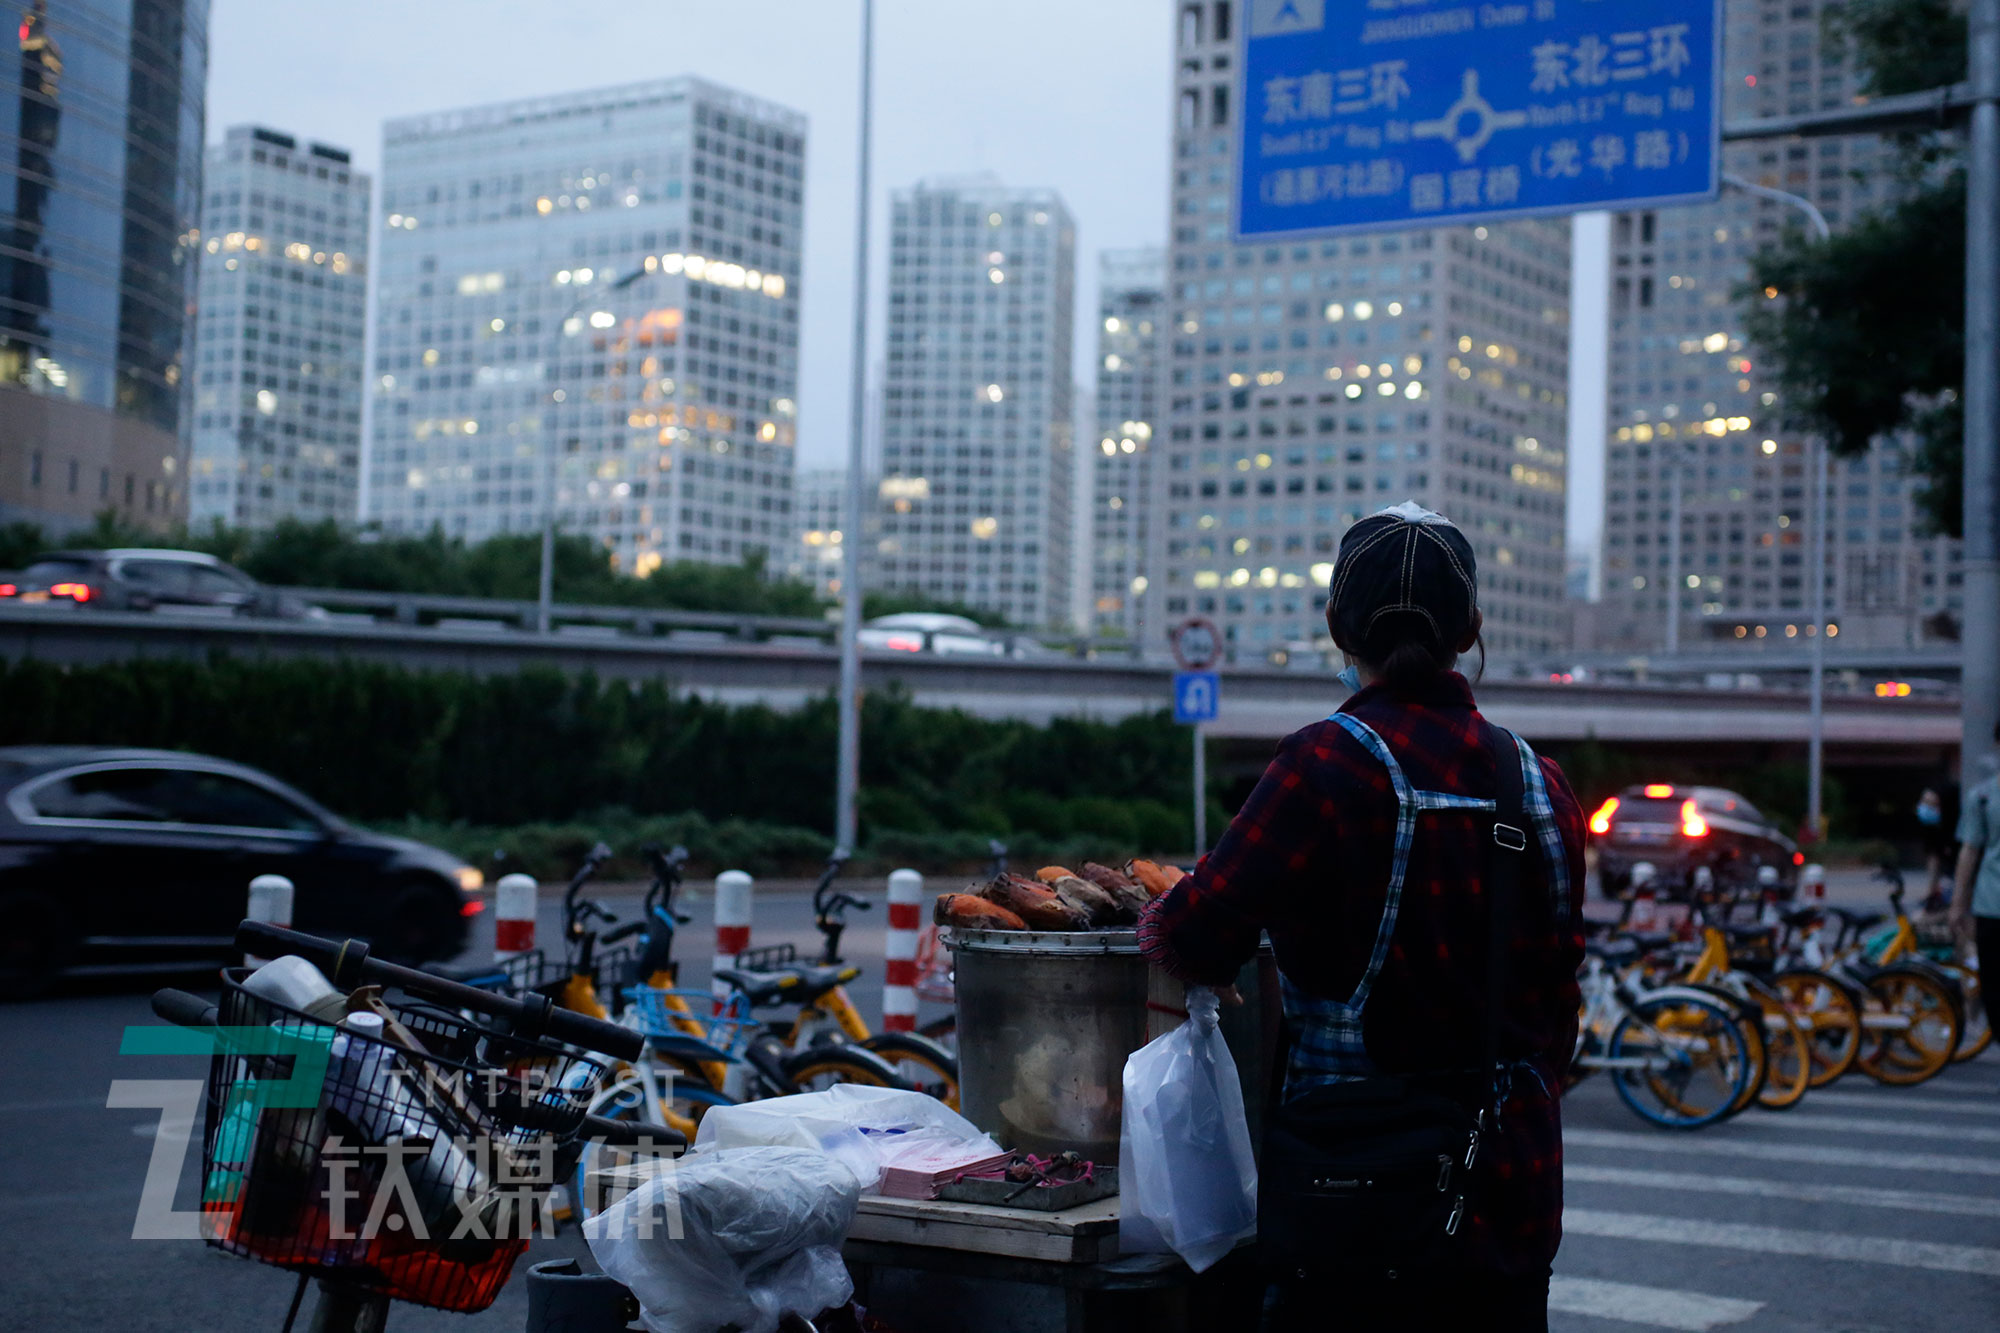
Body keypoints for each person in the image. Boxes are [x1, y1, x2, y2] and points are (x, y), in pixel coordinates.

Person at [1139, 502, 1586, 1332]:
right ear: (1472, 628)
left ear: (1337, 626)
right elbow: (1559, 1001)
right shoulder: (1542, 783)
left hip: (1356, 1194)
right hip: (1512, 1183)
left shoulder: (1323, 763)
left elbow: (1192, 935)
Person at [1948, 733, 2000, 1048]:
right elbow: (1969, 851)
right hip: (1991, 904)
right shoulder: (1983, 797)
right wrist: (1958, 904)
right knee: (1994, 986)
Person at [1916, 787, 1953, 910]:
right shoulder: (1930, 831)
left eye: (1931, 804)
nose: (1925, 807)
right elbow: (1933, 860)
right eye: (1924, 802)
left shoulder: (1951, 831)